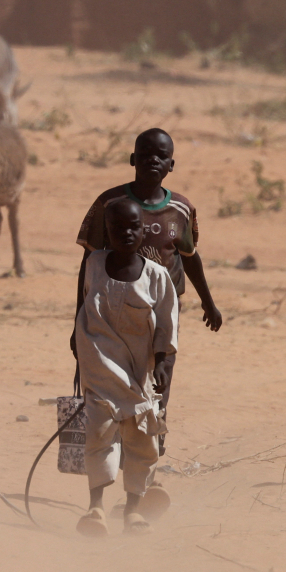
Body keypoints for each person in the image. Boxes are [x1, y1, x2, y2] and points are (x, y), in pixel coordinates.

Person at [72, 128, 222, 446]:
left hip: (161, 310)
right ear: (132, 160)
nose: (153, 160)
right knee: (112, 375)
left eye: (161, 156)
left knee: (159, 375)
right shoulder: (109, 203)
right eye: (145, 155)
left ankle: (151, 455)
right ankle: (115, 451)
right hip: (111, 308)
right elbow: (88, 265)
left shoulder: (181, 209)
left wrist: (208, 303)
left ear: (171, 164)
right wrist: (78, 321)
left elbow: (190, 258)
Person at [73, 198, 178, 536]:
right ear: (107, 232)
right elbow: (84, 310)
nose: (127, 233)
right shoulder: (93, 264)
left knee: (140, 441)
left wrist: (163, 361)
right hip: (100, 368)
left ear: (143, 230)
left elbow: (166, 324)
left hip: (138, 375)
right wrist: (77, 350)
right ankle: (95, 509)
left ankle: (133, 510)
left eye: (134, 227)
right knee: (98, 436)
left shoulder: (158, 277)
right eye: (118, 228)